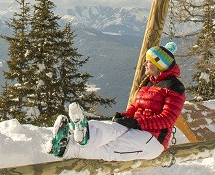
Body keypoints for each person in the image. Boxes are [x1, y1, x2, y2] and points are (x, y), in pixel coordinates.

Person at [45, 41, 186, 160]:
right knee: (111, 128)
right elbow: (135, 107)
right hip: (136, 127)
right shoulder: (148, 84)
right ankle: (82, 132)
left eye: (148, 61)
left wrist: (136, 122)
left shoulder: (174, 87)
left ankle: (67, 148)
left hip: (153, 140)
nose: (144, 64)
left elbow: (167, 119)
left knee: (110, 148)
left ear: (158, 65)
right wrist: (126, 116)